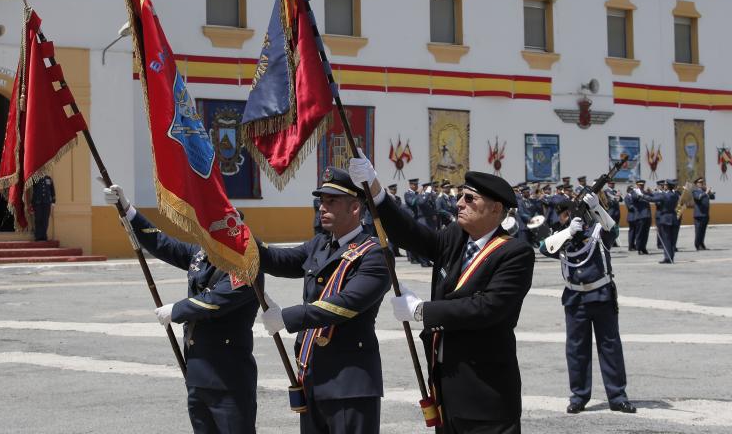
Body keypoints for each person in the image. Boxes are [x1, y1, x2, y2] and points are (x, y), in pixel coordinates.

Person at [349, 153, 534, 434]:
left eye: (470, 199)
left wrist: (422, 311)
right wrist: (376, 191)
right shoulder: (454, 237)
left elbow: (488, 307)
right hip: (445, 388)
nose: (459, 203)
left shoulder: (515, 253)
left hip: (485, 393)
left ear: (496, 208)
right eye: (461, 196)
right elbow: (412, 235)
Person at [103, 184, 260, 433]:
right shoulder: (201, 254)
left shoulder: (246, 264)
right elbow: (161, 242)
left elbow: (216, 301)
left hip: (229, 378)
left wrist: (176, 310)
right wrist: (127, 209)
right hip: (197, 374)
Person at [257, 167, 391, 434]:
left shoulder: (374, 254)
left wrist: (287, 317)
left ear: (355, 208)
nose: (322, 208)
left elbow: (346, 304)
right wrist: (242, 240)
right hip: (313, 377)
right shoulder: (319, 244)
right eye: (321, 201)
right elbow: (277, 260)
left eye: (331, 202)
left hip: (349, 383)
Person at [539, 195, 636, 415]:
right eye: (564, 215)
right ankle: (579, 396)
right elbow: (544, 247)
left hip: (601, 295)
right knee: (576, 350)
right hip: (575, 299)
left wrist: (597, 207)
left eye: (569, 214)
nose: (567, 218)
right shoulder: (563, 237)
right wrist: (568, 232)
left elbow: (614, 231)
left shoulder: (597, 233)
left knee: (610, 347)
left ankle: (618, 396)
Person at [644, 180, 679, 263]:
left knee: (666, 239)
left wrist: (642, 195)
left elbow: (652, 199)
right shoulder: (675, 195)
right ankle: (671, 257)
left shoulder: (664, 195)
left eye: (665, 185)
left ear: (667, 186)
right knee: (672, 240)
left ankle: (667, 258)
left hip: (665, 218)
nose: (664, 186)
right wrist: (651, 193)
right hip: (673, 217)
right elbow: (657, 195)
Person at [692, 177, 715, 250]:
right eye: (700, 182)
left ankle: (702, 244)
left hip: (705, 214)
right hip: (698, 214)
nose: (701, 183)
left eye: (702, 182)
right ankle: (697, 245)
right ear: (696, 184)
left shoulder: (704, 191)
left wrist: (710, 192)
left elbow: (713, 197)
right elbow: (698, 198)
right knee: (698, 231)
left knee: (703, 231)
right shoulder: (695, 191)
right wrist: (706, 192)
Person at [31, 175, 56, 241]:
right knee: (38, 219)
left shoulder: (49, 178)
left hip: (47, 202)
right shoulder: (35, 178)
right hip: (37, 202)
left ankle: (44, 236)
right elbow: (32, 191)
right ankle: (38, 236)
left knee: (45, 219)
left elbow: (52, 190)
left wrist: (53, 202)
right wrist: (32, 202)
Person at [631, 180, 650, 255]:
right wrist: (639, 194)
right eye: (640, 185)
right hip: (640, 216)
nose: (642, 186)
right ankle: (639, 248)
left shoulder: (645, 192)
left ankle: (644, 247)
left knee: (646, 233)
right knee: (639, 233)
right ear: (637, 185)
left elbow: (651, 197)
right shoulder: (634, 192)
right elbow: (634, 198)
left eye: (643, 185)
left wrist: (648, 192)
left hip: (647, 216)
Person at [604, 181, 621, 247]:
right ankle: (610, 241)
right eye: (611, 183)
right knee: (610, 228)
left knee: (616, 228)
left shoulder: (615, 191)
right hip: (611, 212)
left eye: (613, 183)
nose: (613, 184)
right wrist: (615, 197)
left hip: (617, 212)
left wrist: (619, 195)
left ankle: (614, 241)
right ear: (608, 184)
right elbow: (607, 201)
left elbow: (620, 200)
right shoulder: (605, 191)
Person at [623, 185, 637, 251]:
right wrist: (637, 207)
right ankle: (630, 246)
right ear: (629, 190)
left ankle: (634, 245)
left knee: (635, 232)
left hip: (636, 216)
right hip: (631, 217)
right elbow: (629, 207)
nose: (633, 191)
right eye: (632, 190)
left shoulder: (634, 197)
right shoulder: (627, 197)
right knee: (632, 232)